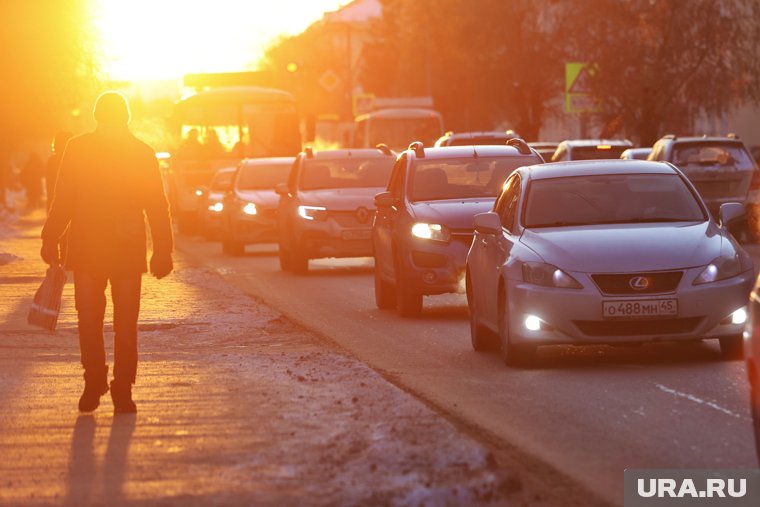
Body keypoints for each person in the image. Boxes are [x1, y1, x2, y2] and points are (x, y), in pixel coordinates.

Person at [40, 91, 174, 414]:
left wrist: (50, 237)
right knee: (114, 322)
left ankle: (107, 384)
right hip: (112, 247)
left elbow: (64, 199)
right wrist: (162, 250)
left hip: (97, 247)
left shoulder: (83, 149)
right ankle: (109, 385)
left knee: (99, 321)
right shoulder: (139, 152)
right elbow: (157, 205)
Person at [45, 131, 73, 211]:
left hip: (55, 203)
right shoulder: (75, 161)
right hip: (71, 204)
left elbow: (49, 186)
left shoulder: (52, 161)